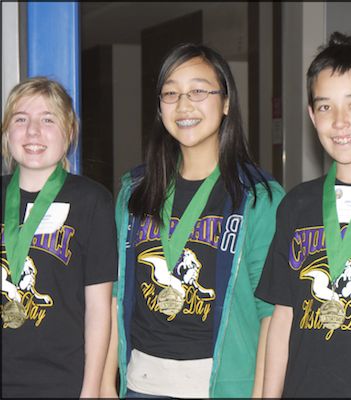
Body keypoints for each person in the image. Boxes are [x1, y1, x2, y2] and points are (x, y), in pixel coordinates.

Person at [100, 43, 285, 399]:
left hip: (221, 387)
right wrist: (108, 385)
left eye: (199, 90)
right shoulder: (134, 192)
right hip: (141, 385)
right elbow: (114, 296)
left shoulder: (259, 197)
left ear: (226, 101)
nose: (184, 105)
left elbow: (271, 316)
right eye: (171, 93)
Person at [255, 31, 351, 398]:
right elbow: (282, 317)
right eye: (324, 107)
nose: (338, 121)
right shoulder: (296, 205)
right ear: (311, 115)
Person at [1, 76, 118, 398]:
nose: (33, 131)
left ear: (68, 133)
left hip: (62, 381)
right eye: (20, 119)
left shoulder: (92, 200)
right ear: (7, 132)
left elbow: (99, 308)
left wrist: (91, 389)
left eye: (48, 119)